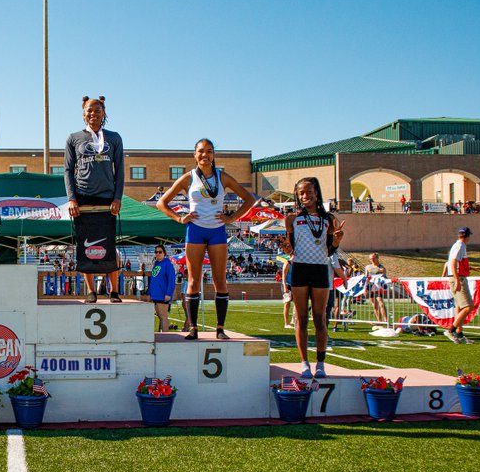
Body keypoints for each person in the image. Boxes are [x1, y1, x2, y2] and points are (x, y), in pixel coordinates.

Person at [158, 138, 256, 340]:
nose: (205, 155)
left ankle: (220, 328)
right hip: (195, 230)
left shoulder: (222, 177)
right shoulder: (188, 177)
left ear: (213, 154)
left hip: (217, 231)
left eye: (209, 151)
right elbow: (162, 202)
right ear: (194, 155)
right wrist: (179, 218)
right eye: (201, 151)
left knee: (220, 280)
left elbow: (249, 198)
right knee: (193, 280)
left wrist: (232, 218)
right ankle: (193, 328)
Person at [280, 176, 345, 378]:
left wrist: (336, 241)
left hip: (319, 270)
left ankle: (321, 364)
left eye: (308, 191)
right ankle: (304, 363)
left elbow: (328, 251)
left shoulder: (328, 219)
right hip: (299, 268)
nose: (305, 195)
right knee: (301, 318)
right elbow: (290, 247)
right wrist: (286, 247)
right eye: (301, 192)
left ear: (316, 192)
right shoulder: (292, 218)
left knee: (320, 318)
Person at [64, 96, 124, 303]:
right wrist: (72, 198)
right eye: (89, 110)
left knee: (109, 246)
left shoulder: (114, 138)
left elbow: (121, 170)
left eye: (97, 110)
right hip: (83, 197)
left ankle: (114, 290)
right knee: (86, 246)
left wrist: (117, 197)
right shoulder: (74, 138)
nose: (93, 114)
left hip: (107, 198)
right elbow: (68, 170)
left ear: (104, 113)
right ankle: (91, 291)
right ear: (83, 114)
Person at [443, 226, 478, 344]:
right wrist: (457, 280)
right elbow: (452, 263)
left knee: (459, 306)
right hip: (458, 278)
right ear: (467, 236)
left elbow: (455, 263)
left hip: (456, 277)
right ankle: (451, 330)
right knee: (468, 306)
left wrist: (471, 268)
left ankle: (459, 333)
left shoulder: (457, 245)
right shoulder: (460, 246)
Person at [148, 245, 176, 332]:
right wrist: (149, 293)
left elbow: (171, 280)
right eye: (156, 252)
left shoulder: (168, 264)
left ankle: (165, 336)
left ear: (164, 253)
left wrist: (168, 293)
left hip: (162, 295)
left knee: (163, 317)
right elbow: (153, 280)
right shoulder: (156, 264)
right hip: (155, 295)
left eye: (160, 252)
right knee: (160, 317)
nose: (158, 253)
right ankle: (162, 334)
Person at [364, 252, 390, 325]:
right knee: (374, 304)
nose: (371, 259)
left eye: (373, 258)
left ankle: (386, 320)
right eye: (370, 258)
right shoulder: (367, 267)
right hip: (370, 287)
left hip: (378, 287)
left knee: (381, 303)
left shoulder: (381, 268)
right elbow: (366, 277)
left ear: (377, 258)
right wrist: (365, 288)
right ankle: (379, 321)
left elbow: (384, 278)